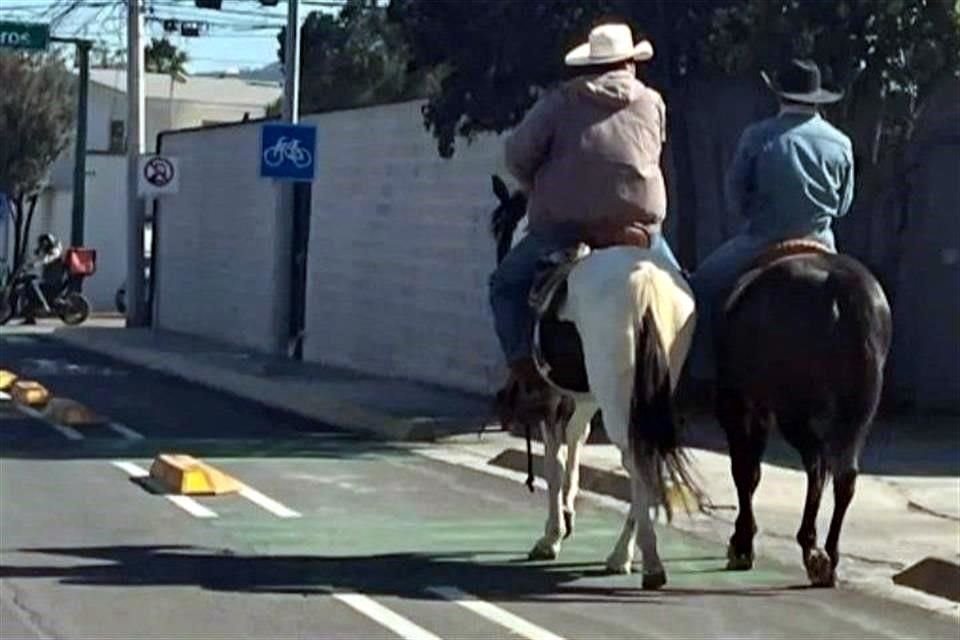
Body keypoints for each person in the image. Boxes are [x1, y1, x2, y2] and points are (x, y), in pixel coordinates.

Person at [489, 22, 682, 402]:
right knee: (688, 292)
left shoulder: (558, 102)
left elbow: (516, 158)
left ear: (588, 65)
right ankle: (694, 378)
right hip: (639, 232)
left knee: (505, 286)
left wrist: (542, 179)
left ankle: (524, 371)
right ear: (630, 62)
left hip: (566, 229)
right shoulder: (652, 101)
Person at [687, 58, 855, 382]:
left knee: (700, 288)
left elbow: (736, 196)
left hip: (763, 239)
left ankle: (701, 374)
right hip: (822, 241)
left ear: (779, 95)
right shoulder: (841, 142)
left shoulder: (757, 136)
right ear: (817, 98)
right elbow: (844, 205)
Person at [21, 233, 65, 324]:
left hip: (53, 281)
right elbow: (39, 258)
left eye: (43, 244)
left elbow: (47, 259)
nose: (42, 246)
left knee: (33, 284)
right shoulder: (47, 251)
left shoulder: (55, 251)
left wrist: (34, 265)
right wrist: (26, 264)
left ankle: (43, 305)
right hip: (48, 279)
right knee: (29, 286)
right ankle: (30, 318)